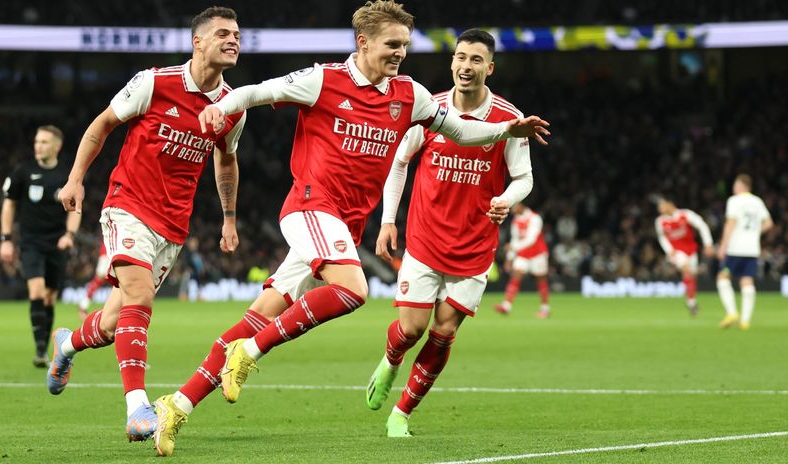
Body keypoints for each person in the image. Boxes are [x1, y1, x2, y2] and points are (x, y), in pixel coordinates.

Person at [151, 1, 550, 456]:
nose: (401, 53)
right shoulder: (323, 79)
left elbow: (462, 131)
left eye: (405, 45)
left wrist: (508, 131)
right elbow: (256, 92)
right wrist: (220, 107)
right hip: (309, 207)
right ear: (363, 42)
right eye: (392, 44)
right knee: (352, 289)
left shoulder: (411, 95)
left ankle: (177, 404)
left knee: (255, 316)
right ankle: (251, 353)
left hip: (341, 223)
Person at [46, 6, 247, 442]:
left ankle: (66, 345)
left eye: (237, 35)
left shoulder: (232, 107)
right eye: (224, 34)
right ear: (198, 41)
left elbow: (226, 160)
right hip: (129, 204)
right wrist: (75, 179)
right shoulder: (155, 82)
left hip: (173, 226)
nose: (234, 41)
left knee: (115, 321)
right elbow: (102, 125)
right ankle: (137, 408)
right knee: (139, 298)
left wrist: (229, 217)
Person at [363, 29, 534, 437]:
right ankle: (390, 361)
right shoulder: (430, 110)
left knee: (444, 332)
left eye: (476, 60)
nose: (466, 66)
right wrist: (389, 220)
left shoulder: (509, 119)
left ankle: (401, 414)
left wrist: (506, 199)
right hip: (425, 239)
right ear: (451, 62)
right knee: (411, 329)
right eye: (460, 57)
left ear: (489, 68)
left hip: (474, 246)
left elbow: (524, 177)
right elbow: (399, 163)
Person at [0, 125, 80, 367]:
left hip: (57, 243)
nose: (38, 146)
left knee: (49, 297)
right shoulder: (22, 172)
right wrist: (5, 239)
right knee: (36, 290)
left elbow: (75, 208)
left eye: (44, 142)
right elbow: (9, 205)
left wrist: (69, 235)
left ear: (57, 146)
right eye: (37, 141)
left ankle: (44, 347)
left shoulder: (66, 175)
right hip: (30, 242)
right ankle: (40, 350)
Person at [716, 174, 772, 330]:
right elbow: (769, 223)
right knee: (747, 281)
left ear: (741, 185)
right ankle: (745, 321)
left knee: (722, 277)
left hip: (735, 248)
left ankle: (732, 312)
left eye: (735, 184)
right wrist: (755, 233)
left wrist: (723, 245)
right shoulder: (757, 201)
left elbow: (730, 223)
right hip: (752, 248)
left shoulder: (734, 201)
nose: (734, 187)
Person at [654, 196, 714, 315]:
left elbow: (702, 225)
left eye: (661, 205)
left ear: (670, 204)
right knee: (687, 270)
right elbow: (661, 237)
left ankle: (691, 302)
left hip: (691, 250)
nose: (659, 208)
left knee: (690, 278)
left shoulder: (685, 215)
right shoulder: (660, 221)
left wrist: (708, 244)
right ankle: (699, 271)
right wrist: (669, 250)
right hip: (676, 252)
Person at [495, 203, 551, 318]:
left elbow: (531, 239)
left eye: (514, 206)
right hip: (523, 255)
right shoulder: (516, 220)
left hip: (538, 254)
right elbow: (515, 239)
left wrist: (513, 247)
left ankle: (545, 308)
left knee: (540, 280)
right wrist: (510, 258)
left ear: (521, 205)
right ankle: (506, 305)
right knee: (516, 276)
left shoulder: (535, 218)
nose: (512, 209)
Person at [77, 240, 110, 319]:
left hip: (111, 251)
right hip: (109, 252)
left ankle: (83, 305)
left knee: (101, 280)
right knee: (99, 279)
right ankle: (83, 306)